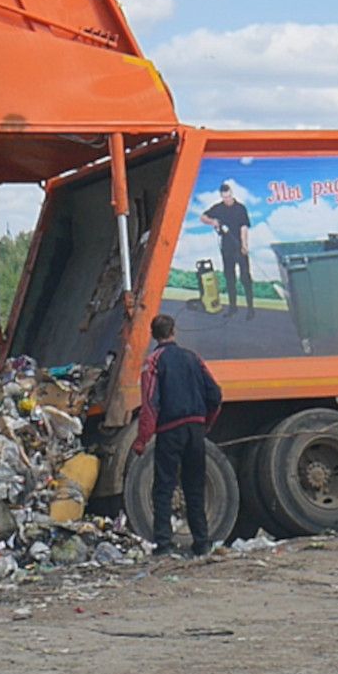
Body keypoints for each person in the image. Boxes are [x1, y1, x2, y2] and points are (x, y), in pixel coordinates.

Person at [135, 314, 223, 556]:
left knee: (164, 487)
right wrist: (206, 425)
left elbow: (150, 404)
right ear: (174, 330)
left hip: (169, 432)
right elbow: (215, 395)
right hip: (195, 430)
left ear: (154, 335)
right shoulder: (193, 358)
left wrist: (142, 440)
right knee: (195, 486)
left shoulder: (153, 362)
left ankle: (163, 545)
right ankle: (202, 544)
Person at [199, 181, 254, 319]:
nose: (227, 199)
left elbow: (244, 227)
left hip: (239, 247)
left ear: (232, 194)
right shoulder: (219, 208)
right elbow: (203, 217)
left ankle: (250, 309)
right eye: (224, 197)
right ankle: (233, 308)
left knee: (245, 277)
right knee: (230, 279)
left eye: (228, 196)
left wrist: (244, 245)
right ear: (221, 196)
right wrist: (214, 222)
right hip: (226, 248)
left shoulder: (240, 208)